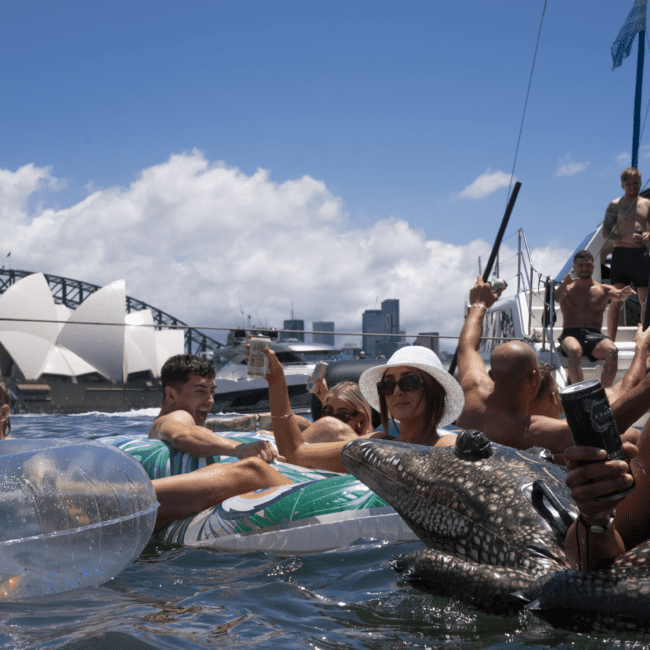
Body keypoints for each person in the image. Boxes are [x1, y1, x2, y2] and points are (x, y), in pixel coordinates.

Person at [456, 276, 650, 457]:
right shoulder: (532, 433)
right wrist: (641, 348)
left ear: (492, 374)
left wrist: (479, 304)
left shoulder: (472, 391)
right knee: (632, 437)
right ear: (533, 377)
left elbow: (466, 348)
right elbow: (612, 417)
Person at [264, 345, 464, 473]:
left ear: (433, 392)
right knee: (254, 468)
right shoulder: (377, 444)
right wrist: (276, 382)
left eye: (409, 382)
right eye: (387, 385)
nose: (396, 391)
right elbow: (296, 453)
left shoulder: (446, 444)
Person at [148, 354, 292, 531]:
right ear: (171, 395)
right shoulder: (176, 417)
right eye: (200, 391)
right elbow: (182, 434)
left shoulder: (185, 421)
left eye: (212, 391)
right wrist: (240, 449)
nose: (210, 400)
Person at [555, 250, 634, 387]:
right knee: (574, 350)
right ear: (574, 268)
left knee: (612, 351)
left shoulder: (603, 289)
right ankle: (579, 392)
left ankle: (604, 393)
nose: (584, 268)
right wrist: (563, 284)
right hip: (571, 333)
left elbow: (618, 295)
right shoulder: (567, 288)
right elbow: (556, 298)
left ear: (593, 267)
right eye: (581, 265)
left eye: (588, 265)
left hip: (595, 336)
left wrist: (623, 294)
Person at [603, 167, 650, 342]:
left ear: (639, 183)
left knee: (644, 300)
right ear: (623, 185)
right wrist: (626, 237)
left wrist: (648, 235)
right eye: (628, 183)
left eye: (635, 183)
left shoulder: (647, 204)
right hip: (621, 255)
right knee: (616, 299)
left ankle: (644, 339)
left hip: (640, 256)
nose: (632, 186)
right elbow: (606, 233)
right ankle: (610, 340)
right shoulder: (615, 205)